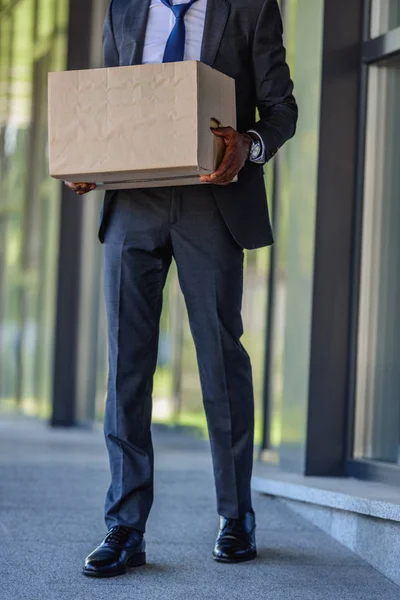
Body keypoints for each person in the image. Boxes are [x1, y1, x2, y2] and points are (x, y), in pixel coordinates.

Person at [67, 0, 297, 578]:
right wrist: (86, 154)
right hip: (131, 206)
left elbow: (281, 110)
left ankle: (236, 516)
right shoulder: (123, 8)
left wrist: (250, 145)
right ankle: (124, 527)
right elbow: (109, 105)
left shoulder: (248, 8)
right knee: (127, 367)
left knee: (220, 360)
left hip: (213, 202)